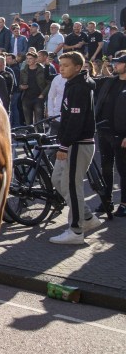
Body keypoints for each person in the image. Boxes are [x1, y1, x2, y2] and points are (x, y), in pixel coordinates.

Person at [49, 52, 103, 245]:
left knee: (73, 185)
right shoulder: (72, 84)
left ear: (78, 68)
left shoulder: (79, 87)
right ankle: (87, 218)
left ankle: (76, 230)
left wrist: (64, 145)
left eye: (66, 65)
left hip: (78, 144)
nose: (61, 68)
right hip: (71, 142)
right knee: (58, 180)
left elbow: (76, 120)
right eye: (60, 64)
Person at [92, 52, 126, 217]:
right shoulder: (110, 81)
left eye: (119, 63)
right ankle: (106, 201)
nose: (116, 65)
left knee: (123, 170)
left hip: (121, 135)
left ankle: (124, 204)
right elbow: (92, 81)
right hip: (104, 132)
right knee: (106, 168)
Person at [19, 50, 49, 127]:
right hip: (26, 98)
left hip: (38, 98)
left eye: (30, 58)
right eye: (27, 58)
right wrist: (21, 87)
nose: (28, 60)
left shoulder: (42, 70)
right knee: (28, 122)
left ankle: (41, 137)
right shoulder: (23, 71)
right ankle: (29, 138)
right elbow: (19, 84)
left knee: (39, 122)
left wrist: (43, 94)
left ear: (36, 59)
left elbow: (49, 83)